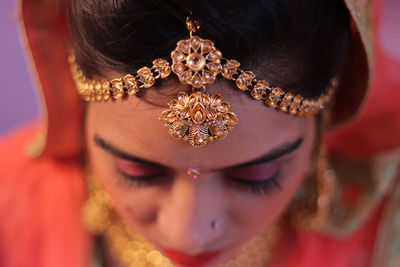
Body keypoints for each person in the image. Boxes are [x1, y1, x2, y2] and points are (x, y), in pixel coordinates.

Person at [0, 0, 399, 266]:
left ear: (326, 119)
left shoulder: (387, 224)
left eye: (254, 176)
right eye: (137, 172)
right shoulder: (9, 210)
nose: (188, 234)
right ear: (76, 104)